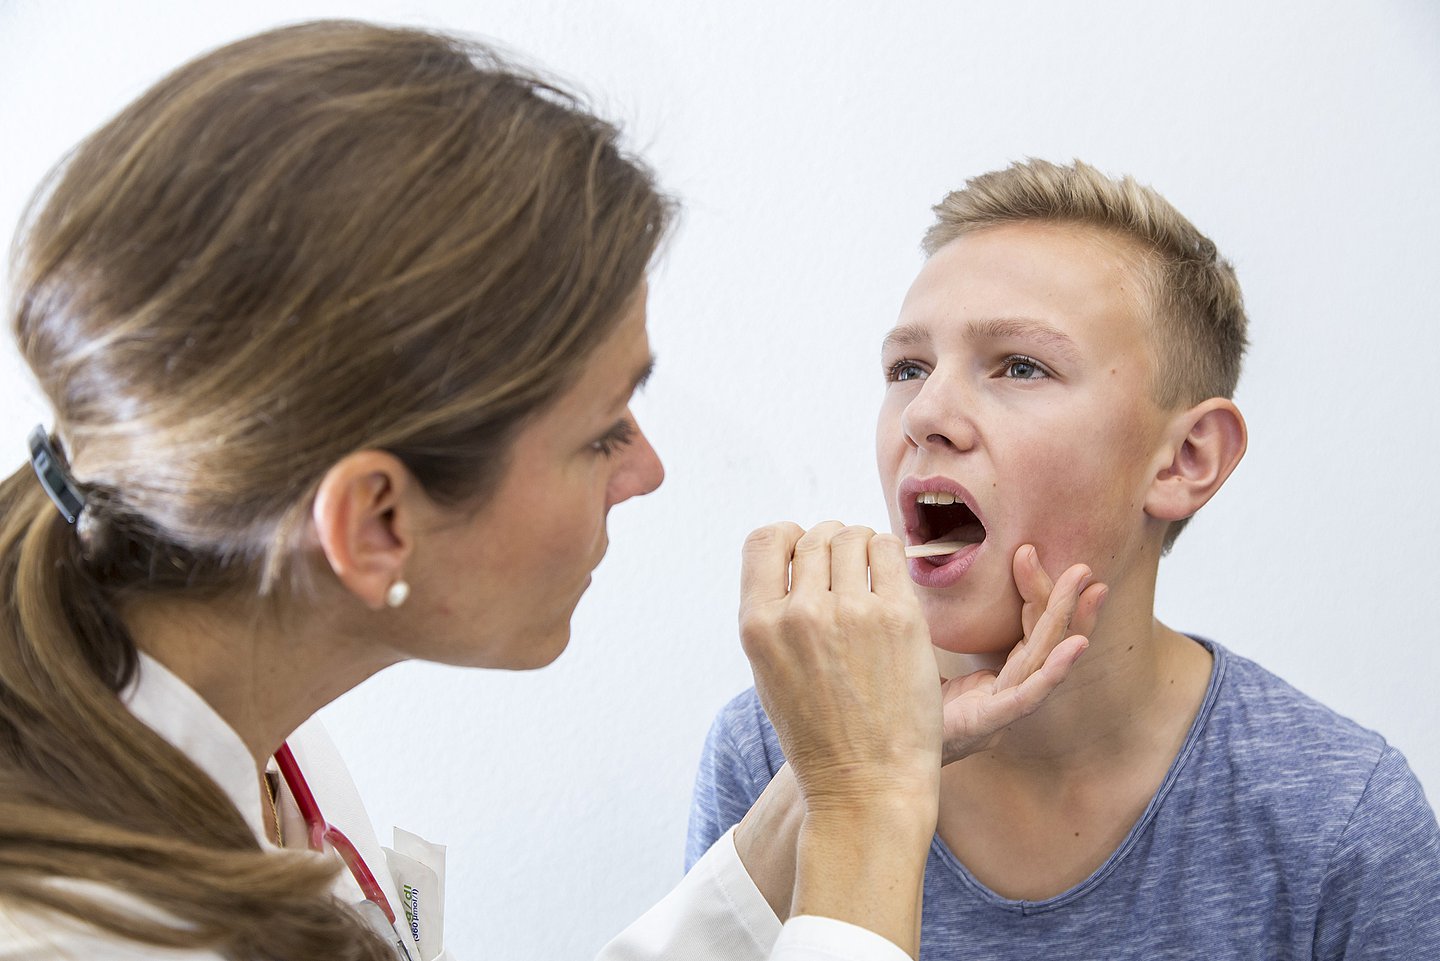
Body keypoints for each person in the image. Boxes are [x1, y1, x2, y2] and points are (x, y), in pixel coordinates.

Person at [0, 22, 1101, 961]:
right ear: (377, 522)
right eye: (599, 432)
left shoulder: (257, 748)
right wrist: (870, 810)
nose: (648, 471)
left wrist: (822, 789)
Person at [688, 159, 1440, 958]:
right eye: (908, 367)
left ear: (1186, 458)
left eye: (1020, 365)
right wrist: (844, 784)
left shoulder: (1338, 817)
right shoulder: (783, 747)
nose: (927, 412)